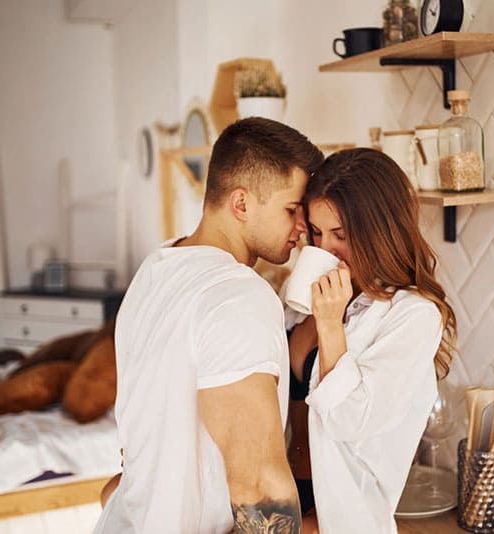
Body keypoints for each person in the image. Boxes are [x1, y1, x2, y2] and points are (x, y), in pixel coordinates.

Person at [94, 117, 324, 534]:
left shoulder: (156, 268)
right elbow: (259, 488)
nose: (302, 227)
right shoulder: (238, 296)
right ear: (241, 204)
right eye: (292, 210)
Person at [285, 148, 457, 533]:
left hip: (338, 515)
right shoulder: (302, 302)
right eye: (316, 232)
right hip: (281, 493)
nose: (325, 249)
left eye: (341, 235)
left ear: (378, 232)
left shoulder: (412, 316)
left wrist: (330, 323)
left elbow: (352, 421)